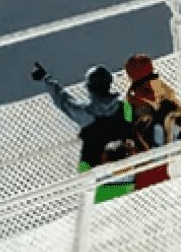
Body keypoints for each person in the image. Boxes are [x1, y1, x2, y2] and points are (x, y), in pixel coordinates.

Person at [31, 61, 137, 202]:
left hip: (98, 185)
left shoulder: (85, 114)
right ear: (109, 84)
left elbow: (63, 100)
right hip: (130, 179)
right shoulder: (126, 107)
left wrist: (46, 78)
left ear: (89, 88)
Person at [122, 54, 181, 191]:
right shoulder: (161, 86)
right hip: (167, 147)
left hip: (148, 154)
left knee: (148, 185)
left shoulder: (135, 96)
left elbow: (135, 126)